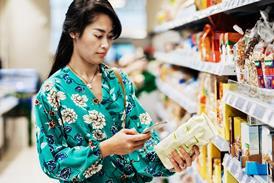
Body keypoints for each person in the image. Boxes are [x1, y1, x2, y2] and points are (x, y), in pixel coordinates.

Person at [34, 0, 200, 182]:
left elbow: (144, 141)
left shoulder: (118, 81)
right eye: (98, 35)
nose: (106, 44)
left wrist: (170, 159)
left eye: (110, 36)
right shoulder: (51, 93)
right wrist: (106, 148)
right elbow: (52, 163)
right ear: (74, 32)